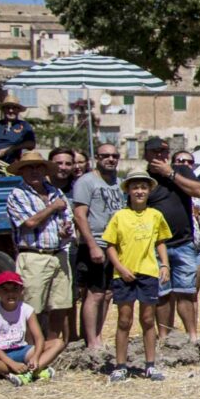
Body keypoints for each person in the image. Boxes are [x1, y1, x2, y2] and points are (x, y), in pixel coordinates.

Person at [101, 164, 170, 382]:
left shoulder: (155, 215)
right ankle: (120, 365)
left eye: (143, 187)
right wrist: (120, 268)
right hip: (124, 274)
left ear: (149, 190)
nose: (139, 191)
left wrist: (165, 265)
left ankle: (150, 365)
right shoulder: (119, 216)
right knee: (124, 319)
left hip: (148, 272)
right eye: (135, 187)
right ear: (128, 191)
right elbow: (110, 245)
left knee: (148, 319)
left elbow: (160, 241)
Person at [6, 151, 74, 353]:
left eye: (38, 167)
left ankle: (51, 349)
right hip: (34, 255)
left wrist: (65, 230)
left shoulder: (55, 191)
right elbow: (29, 222)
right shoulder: (18, 194)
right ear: (21, 171)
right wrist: (53, 207)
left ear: (45, 170)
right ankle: (31, 351)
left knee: (60, 305)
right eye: (29, 168)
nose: (34, 171)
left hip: (58, 253)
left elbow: (67, 218)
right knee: (31, 308)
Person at [142, 138, 200, 341]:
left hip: (183, 242)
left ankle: (192, 336)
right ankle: (165, 337)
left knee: (186, 292)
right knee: (162, 294)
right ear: (146, 154)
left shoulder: (181, 170)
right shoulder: (143, 178)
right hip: (156, 246)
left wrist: (169, 173)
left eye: (163, 151)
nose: (160, 155)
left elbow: (199, 191)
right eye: (155, 152)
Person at [71, 142, 125, 355]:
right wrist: (92, 245)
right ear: (97, 158)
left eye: (114, 156)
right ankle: (92, 342)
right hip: (95, 244)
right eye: (105, 156)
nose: (110, 159)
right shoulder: (86, 181)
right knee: (94, 294)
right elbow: (79, 215)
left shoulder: (119, 183)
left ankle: (98, 336)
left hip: (115, 246)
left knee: (108, 293)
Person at [0, 268, 62, 384]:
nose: (10, 294)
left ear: (21, 290)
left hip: (23, 350)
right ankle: (31, 370)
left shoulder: (27, 309)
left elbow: (39, 338)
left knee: (58, 343)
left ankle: (29, 372)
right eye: (5, 290)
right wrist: (12, 363)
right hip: (1, 354)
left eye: (15, 289)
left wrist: (36, 356)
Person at [0, 100, 37, 167]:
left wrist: (11, 148)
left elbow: (31, 144)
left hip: (11, 166)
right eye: (8, 108)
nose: (11, 110)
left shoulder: (24, 125)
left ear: (18, 110)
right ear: (3, 110)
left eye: (14, 108)